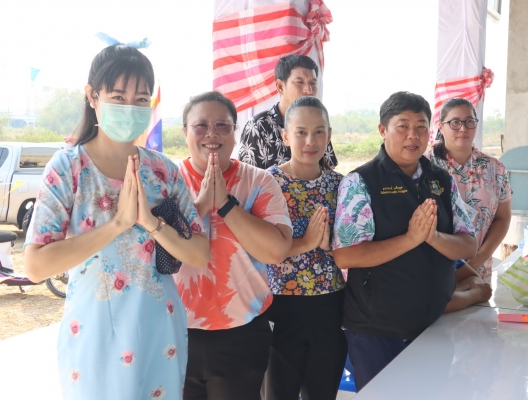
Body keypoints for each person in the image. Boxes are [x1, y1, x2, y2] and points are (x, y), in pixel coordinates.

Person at [23, 44, 210, 399]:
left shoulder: (163, 170)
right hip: (93, 332)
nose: (130, 108)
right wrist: (117, 224)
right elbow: (35, 266)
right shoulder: (68, 169)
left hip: (159, 328)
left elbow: (199, 253)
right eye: (118, 97)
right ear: (92, 96)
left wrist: (151, 223)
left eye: (140, 100)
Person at [332, 91, 478, 391]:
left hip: (432, 326)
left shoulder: (441, 180)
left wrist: (433, 237)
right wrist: (411, 238)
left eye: (421, 127)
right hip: (377, 331)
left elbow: (468, 244)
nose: (413, 135)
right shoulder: (361, 182)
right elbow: (346, 255)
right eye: (403, 126)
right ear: (383, 130)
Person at [174, 91, 293, 400]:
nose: (212, 134)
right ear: (185, 132)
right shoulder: (167, 182)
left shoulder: (260, 182)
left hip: (242, 331)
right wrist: (201, 204)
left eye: (222, 125)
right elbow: (155, 253)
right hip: (174, 329)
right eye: (201, 125)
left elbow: (276, 251)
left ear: (235, 132)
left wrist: (226, 204)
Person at [264, 96, 346, 400]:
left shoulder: (342, 185)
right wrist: (307, 243)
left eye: (319, 132)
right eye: (301, 132)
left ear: (329, 134)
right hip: (280, 305)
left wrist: (327, 245)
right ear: (286, 136)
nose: (311, 141)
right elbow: (258, 247)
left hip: (330, 306)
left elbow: (352, 248)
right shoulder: (267, 183)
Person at [425, 97, 512, 282]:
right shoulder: (423, 166)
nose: (463, 128)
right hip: (432, 274)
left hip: (479, 272)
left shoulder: (495, 168)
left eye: (469, 121)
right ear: (441, 126)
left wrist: (478, 259)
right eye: (455, 122)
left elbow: (503, 218)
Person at [238, 54, 337, 170]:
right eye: (299, 82)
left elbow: (328, 171)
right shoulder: (258, 126)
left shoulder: (318, 122)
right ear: (280, 86)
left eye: (313, 83)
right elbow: (246, 177)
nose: (308, 90)